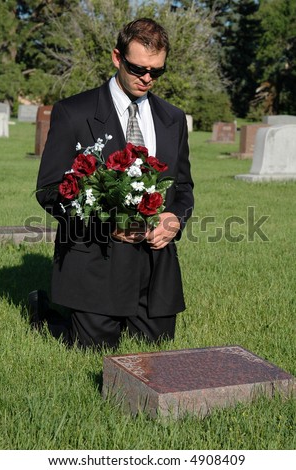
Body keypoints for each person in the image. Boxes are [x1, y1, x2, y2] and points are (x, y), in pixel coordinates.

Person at [32, 17, 194, 349]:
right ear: (117, 57)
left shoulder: (172, 119)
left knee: (156, 345)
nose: (147, 79)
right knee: (95, 346)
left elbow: (184, 188)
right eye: (138, 69)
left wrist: (175, 218)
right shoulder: (74, 112)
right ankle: (43, 313)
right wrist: (105, 227)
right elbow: (49, 189)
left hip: (154, 264)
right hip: (96, 259)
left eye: (157, 71)